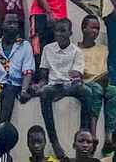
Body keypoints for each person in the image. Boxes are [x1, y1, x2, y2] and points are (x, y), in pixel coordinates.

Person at [35, 17, 92, 160]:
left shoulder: (77, 52)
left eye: (63, 31)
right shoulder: (48, 49)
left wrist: (76, 78)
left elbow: (77, 74)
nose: (59, 34)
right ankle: (54, 142)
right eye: (57, 31)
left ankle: (84, 134)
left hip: (70, 86)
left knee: (87, 91)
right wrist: (39, 85)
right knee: (44, 93)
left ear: (70, 33)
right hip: (53, 87)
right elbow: (43, 75)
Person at [0, 13, 36, 127]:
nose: (13, 25)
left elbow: (28, 71)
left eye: (15, 23)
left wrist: (24, 90)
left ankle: (0, 131)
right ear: (2, 25)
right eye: (9, 22)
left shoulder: (25, 45)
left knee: (9, 90)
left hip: (16, 86)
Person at [77, 14, 116, 147]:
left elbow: (105, 69)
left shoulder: (103, 49)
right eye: (93, 28)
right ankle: (93, 133)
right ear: (84, 28)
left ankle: (109, 137)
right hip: (86, 83)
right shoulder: (75, 49)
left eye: (98, 28)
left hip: (102, 82)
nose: (96, 31)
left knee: (114, 93)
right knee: (96, 89)